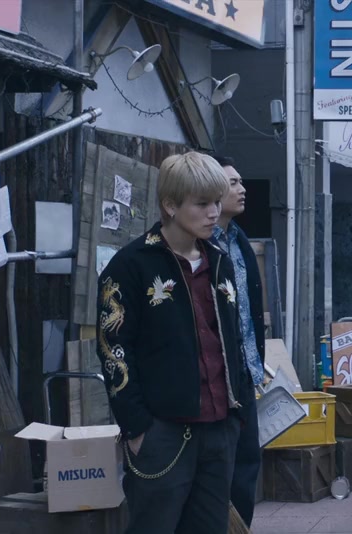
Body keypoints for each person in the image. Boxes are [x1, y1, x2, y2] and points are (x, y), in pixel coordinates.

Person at [96, 152, 251, 534]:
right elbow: (114, 348)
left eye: (217, 202)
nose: (214, 212)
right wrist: (137, 428)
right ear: (170, 205)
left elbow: (232, 339)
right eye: (202, 203)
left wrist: (238, 415)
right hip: (163, 431)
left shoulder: (219, 261)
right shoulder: (131, 264)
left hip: (220, 427)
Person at [211, 156, 266, 526]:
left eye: (240, 181)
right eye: (233, 183)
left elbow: (249, 311)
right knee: (218, 468)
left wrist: (256, 363)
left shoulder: (238, 239)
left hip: (244, 374)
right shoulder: (201, 243)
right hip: (215, 376)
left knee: (247, 464)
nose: (242, 189)